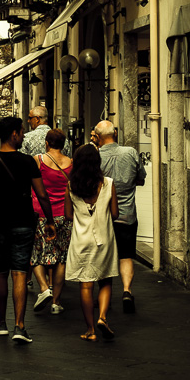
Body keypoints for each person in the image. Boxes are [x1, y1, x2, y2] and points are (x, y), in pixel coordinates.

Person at [0, 116, 55, 343]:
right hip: (24, 222)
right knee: (19, 272)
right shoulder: (28, 162)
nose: (24, 135)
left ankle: (0, 323)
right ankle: (20, 326)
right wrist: (50, 221)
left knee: (0, 273)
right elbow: (42, 194)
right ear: (14, 134)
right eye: (22, 132)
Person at [64, 143, 119, 341]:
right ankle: (103, 317)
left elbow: (68, 215)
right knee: (105, 280)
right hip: (104, 238)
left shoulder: (71, 186)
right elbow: (115, 213)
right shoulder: (108, 184)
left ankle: (90, 330)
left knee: (86, 285)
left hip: (81, 240)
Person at [94, 120, 147, 313]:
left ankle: (102, 293)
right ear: (115, 133)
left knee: (102, 255)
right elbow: (141, 177)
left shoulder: (96, 156)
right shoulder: (130, 152)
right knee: (126, 255)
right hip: (127, 215)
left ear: (98, 137)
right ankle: (126, 290)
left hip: (104, 216)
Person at [30, 128, 73, 314]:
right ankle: (56, 302)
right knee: (61, 258)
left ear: (47, 143)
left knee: (36, 254)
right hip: (64, 215)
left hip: (40, 214)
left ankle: (43, 288)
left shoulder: (38, 160)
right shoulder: (71, 163)